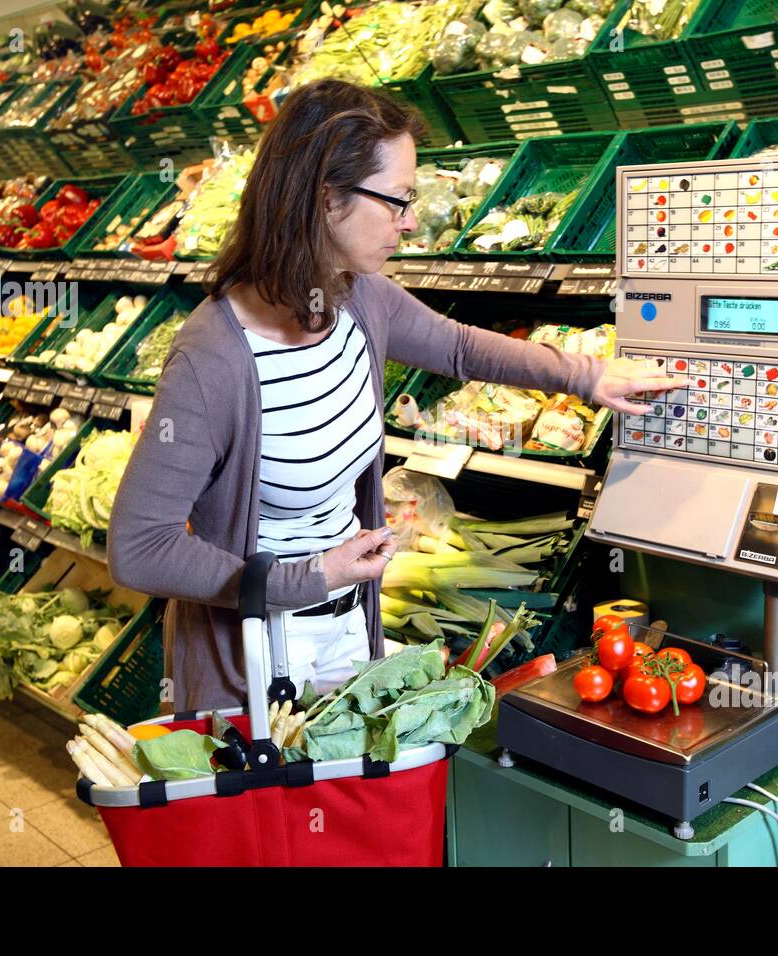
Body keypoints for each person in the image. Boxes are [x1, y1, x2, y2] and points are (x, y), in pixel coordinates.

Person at [108, 79, 674, 712]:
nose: (410, 221)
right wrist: (308, 580)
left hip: (350, 625)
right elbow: (139, 549)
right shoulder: (213, 358)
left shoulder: (358, 296)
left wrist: (586, 376)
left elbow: (459, 347)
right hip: (255, 652)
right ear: (327, 200)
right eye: (398, 199)